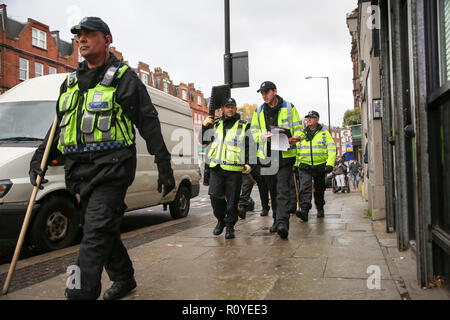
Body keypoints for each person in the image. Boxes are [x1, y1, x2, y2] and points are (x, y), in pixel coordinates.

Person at [28, 17, 175, 300]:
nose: (81, 39)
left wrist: (163, 166)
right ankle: (124, 278)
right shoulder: (70, 83)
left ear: (107, 40)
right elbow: (58, 126)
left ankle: (78, 293)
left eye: (88, 34)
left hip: (113, 168)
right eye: (78, 36)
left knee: (94, 233)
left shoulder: (124, 78)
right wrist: (39, 160)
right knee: (101, 227)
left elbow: (148, 123)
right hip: (78, 171)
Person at [250, 81, 304, 239]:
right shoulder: (258, 110)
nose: (264, 95)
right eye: (262, 93)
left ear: (274, 91)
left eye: (267, 92)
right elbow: (253, 130)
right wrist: (260, 136)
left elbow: (299, 127)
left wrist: (297, 137)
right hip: (266, 156)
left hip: (284, 155)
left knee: (282, 190)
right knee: (273, 191)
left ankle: (283, 223)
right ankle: (276, 219)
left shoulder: (289, 107)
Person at [201, 97, 250, 239]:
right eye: (227, 106)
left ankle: (230, 227)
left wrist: (248, 164)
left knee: (232, 202)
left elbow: (250, 147)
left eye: (232, 107)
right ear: (222, 108)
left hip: (234, 170)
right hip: (216, 168)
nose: (229, 109)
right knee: (215, 198)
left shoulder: (243, 126)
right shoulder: (215, 124)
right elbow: (204, 141)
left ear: (235, 108)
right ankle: (221, 220)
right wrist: (205, 127)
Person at [296, 110, 336, 221]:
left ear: (317, 120)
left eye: (311, 117)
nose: (308, 119)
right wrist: (295, 165)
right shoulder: (302, 134)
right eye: (307, 118)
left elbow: (331, 149)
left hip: (320, 166)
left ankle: (320, 207)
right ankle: (304, 210)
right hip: (305, 166)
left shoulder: (324, 133)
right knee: (305, 188)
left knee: (319, 189)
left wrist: (330, 164)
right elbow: (297, 150)